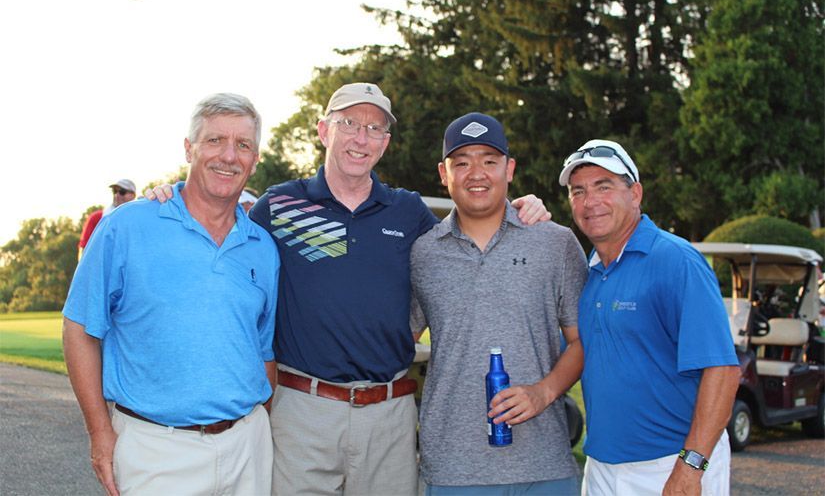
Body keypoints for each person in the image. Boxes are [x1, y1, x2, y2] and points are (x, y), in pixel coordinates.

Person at [148, 83, 549, 495]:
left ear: (385, 142)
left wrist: (517, 209)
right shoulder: (279, 206)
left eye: (375, 128)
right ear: (323, 131)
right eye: (350, 123)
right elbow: (215, 229)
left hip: (388, 417)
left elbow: (469, 243)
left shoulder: (408, 211)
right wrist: (173, 195)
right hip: (302, 413)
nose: (362, 137)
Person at [63, 93, 279, 496]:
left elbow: (263, 352)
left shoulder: (262, 247)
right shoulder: (127, 227)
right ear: (188, 148)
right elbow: (79, 329)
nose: (228, 156)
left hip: (248, 447)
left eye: (243, 145)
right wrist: (99, 431)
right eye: (215, 140)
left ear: (254, 157)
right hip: (156, 450)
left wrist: (256, 427)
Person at [410, 113, 588, 495]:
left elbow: (582, 341)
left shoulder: (555, 243)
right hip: (453, 470)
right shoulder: (423, 253)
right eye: (462, 162)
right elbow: (397, 339)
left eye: (489, 161)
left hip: (544, 465)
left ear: (509, 169)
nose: (477, 173)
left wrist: (543, 392)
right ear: (444, 173)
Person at [558, 139, 740, 496]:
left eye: (603, 186)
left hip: (670, 464)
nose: (589, 201)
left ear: (636, 194)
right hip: (602, 466)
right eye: (578, 191)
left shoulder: (676, 260)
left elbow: (722, 370)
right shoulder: (592, 272)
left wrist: (691, 466)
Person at [77, 179, 136, 260]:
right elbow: (83, 250)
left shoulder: (138, 221)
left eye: (122, 192)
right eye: (114, 191)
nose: (117, 195)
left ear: (133, 195)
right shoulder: (96, 218)